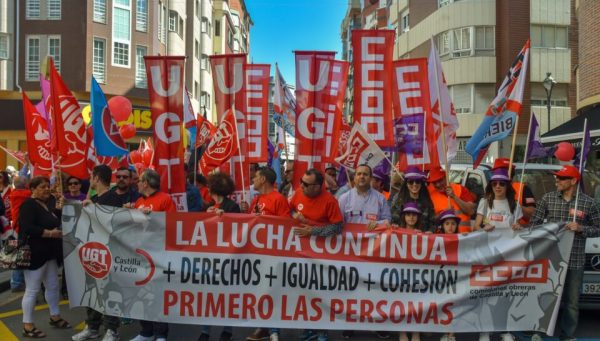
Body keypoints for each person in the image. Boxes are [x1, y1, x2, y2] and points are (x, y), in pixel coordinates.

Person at [525, 165, 600, 341]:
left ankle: (567, 336)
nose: (557, 180)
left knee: (572, 303)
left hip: (575, 260)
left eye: (562, 178)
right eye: (557, 177)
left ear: (573, 181)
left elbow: (598, 229)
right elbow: (534, 225)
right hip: (551, 259)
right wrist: (521, 228)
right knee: (544, 297)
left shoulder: (589, 203)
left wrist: (581, 228)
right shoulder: (548, 199)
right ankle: (539, 331)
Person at [337, 164, 391, 340]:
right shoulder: (344, 199)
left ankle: (377, 324)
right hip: (350, 253)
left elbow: (389, 222)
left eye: (365, 174)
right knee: (350, 290)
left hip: (373, 253)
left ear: (371, 178)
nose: (361, 177)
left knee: (374, 290)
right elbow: (337, 224)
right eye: (359, 174)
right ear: (353, 178)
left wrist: (380, 223)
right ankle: (349, 324)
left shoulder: (381, 199)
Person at [290, 169, 343, 341]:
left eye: (306, 184)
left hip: (323, 256)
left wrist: (313, 231)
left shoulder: (330, 201)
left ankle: (322, 330)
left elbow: (337, 227)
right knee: (304, 292)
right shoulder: (298, 193)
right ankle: (308, 327)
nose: (302, 186)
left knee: (321, 292)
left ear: (319, 186)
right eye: (301, 182)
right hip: (301, 253)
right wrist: (294, 215)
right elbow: (289, 210)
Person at [72, 165, 123, 341]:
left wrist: (93, 207)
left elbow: (111, 222)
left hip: (108, 253)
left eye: (92, 176)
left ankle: (112, 330)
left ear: (97, 178)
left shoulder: (113, 198)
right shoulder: (94, 198)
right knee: (92, 291)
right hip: (92, 253)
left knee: (107, 291)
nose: (90, 180)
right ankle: (92, 327)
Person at [472, 168, 522, 341]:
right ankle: (484, 331)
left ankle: (504, 329)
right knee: (487, 294)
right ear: (491, 186)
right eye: (495, 184)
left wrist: (518, 228)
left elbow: (520, 231)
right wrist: (483, 228)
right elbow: (476, 227)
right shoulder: (485, 202)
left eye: (502, 183)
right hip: (488, 254)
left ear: (507, 186)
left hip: (508, 255)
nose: (498, 186)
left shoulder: (515, 205)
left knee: (504, 294)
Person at [19, 176, 71, 338]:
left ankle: (55, 316)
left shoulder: (47, 203)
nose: (47, 189)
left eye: (48, 186)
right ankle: (28, 325)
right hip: (35, 254)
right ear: (33, 189)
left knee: (53, 286)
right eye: (42, 187)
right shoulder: (28, 205)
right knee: (32, 290)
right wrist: (49, 233)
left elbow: (51, 221)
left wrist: (58, 209)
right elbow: (27, 227)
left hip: (49, 253)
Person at [244, 167, 290, 341]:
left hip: (274, 254)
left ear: (263, 179)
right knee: (260, 291)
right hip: (257, 254)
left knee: (273, 291)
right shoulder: (256, 199)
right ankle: (262, 327)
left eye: (255, 177)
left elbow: (285, 225)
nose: (253, 180)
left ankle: (274, 330)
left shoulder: (279, 199)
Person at [130, 169, 176, 341]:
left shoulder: (165, 199)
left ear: (146, 183)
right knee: (142, 293)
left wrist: (155, 217)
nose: (137, 183)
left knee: (158, 294)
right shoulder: (138, 201)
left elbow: (172, 224)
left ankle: (161, 333)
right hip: (141, 254)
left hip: (159, 253)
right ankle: (146, 331)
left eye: (139, 180)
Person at [198, 172, 239, 341]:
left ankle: (227, 330)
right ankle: (205, 330)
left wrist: (226, 219)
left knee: (226, 294)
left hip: (228, 257)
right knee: (210, 295)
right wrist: (206, 215)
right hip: (211, 257)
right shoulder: (208, 206)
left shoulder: (232, 207)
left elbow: (240, 229)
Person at [427, 167, 476, 232]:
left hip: (463, 237)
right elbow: (429, 220)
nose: (437, 184)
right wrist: (443, 213)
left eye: (440, 180)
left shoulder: (460, 189)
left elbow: (471, 211)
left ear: (446, 177)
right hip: (443, 239)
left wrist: (454, 196)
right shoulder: (430, 195)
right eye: (434, 182)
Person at [436, 209, 460, 341]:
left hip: (456, 277)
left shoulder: (462, 239)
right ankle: (445, 332)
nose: (450, 226)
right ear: (442, 226)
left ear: (456, 226)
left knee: (453, 305)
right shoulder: (435, 239)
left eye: (453, 223)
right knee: (443, 305)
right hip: (441, 277)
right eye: (447, 224)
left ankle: (452, 334)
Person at [390, 166, 436, 232]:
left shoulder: (427, 200)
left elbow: (433, 223)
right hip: (402, 237)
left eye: (417, 181)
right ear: (406, 184)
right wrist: (395, 226)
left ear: (421, 184)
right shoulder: (399, 200)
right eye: (411, 182)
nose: (414, 184)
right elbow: (393, 220)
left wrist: (430, 231)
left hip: (423, 239)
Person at [492, 158, 536, 224]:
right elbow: (483, 219)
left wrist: (514, 206)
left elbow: (534, 214)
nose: (497, 186)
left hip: (519, 231)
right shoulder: (491, 189)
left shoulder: (523, 188)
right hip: (494, 232)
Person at [8, 175, 30, 292]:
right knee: (21, 256)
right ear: (25, 184)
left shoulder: (13, 193)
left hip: (16, 228)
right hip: (20, 229)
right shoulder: (25, 194)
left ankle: (15, 283)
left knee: (16, 256)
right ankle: (17, 283)